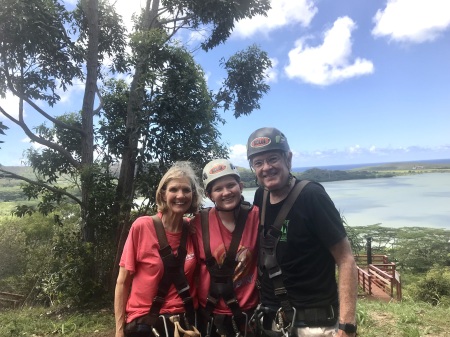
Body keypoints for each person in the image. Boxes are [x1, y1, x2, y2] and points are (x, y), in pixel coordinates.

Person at [246, 127, 358, 337]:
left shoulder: (311, 196)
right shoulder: (260, 196)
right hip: (271, 321)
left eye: (273, 159)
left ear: (288, 159)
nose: (266, 168)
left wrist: (347, 326)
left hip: (314, 323)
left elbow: (346, 259)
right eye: (258, 163)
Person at [114, 161, 203, 337]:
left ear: (193, 195)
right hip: (146, 322)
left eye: (186, 190)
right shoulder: (143, 227)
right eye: (174, 190)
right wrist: (119, 330)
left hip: (185, 323)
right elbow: (123, 282)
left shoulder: (193, 230)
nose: (181, 195)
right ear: (163, 193)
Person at [193, 159, 260, 337]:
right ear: (209, 195)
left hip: (249, 314)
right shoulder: (198, 224)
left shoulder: (257, 217)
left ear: (241, 186)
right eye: (218, 189)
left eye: (231, 185)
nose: (226, 192)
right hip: (211, 316)